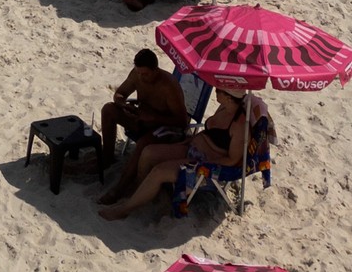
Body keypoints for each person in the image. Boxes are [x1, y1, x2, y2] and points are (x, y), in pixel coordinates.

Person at [99, 89, 263, 220]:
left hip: (205, 164)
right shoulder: (224, 107)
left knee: (159, 171)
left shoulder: (240, 127)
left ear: (228, 97)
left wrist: (203, 165)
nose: (215, 91)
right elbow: (210, 132)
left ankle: (125, 209)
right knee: (149, 152)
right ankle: (138, 191)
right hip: (192, 146)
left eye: (219, 90)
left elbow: (232, 159)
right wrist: (191, 141)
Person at [98, 48, 189, 175]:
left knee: (143, 142)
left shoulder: (169, 87)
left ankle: (121, 186)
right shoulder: (137, 75)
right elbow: (120, 93)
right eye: (138, 73)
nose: (141, 77)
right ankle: (107, 158)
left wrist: (154, 118)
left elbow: (182, 122)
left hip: (163, 127)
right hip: (140, 119)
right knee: (108, 109)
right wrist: (124, 105)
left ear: (155, 70)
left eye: (145, 74)